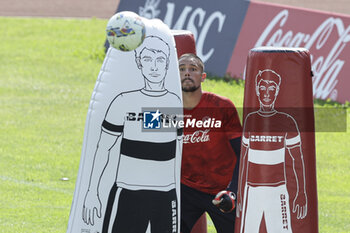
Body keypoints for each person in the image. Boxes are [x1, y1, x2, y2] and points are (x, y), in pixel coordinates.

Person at [82, 35, 182, 233]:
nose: (154, 66)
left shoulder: (173, 102)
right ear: (139, 63)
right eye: (147, 59)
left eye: (160, 59)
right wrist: (92, 191)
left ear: (168, 63)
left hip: (165, 197)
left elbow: (177, 149)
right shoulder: (123, 102)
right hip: (128, 194)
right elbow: (103, 149)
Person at [236, 69, 307, 233]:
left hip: (277, 191)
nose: (266, 93)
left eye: (272, 88)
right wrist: (240, 192)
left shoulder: (287, 121)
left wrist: (301, 192)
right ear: (256, 89)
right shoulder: (250, 119)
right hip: (251, 191)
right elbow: (244, 159)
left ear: (277, 91)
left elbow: (297, 158)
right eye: (262, 88)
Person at [178, 53, 242, 233]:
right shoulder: (165, 110)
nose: (187, 73)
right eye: (181, 69)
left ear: (203, 76)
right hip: (186, 189)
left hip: (221, 191)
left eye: (193, 69)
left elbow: (242, 152)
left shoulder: (222, 106)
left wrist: (232, 191)